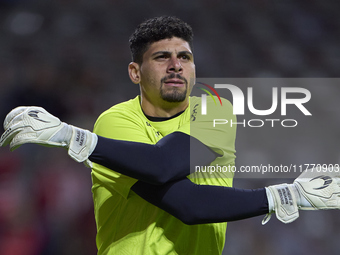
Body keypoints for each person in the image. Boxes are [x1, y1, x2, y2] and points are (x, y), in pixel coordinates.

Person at [1, 16, 340, 255]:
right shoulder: (115, 121)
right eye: (162, 57)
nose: (176, 65)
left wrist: (72, 138)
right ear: (135, 72)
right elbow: (185, 202)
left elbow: (166, 165)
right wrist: (287, 196)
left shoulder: (215, 112)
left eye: (185, 57)